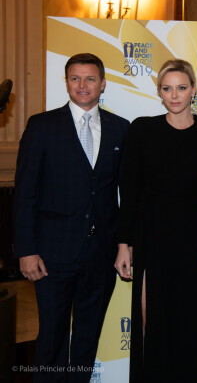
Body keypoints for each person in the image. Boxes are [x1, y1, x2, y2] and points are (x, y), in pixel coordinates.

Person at [13, 53, 129, 382]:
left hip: (101, 254)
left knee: (87, 340)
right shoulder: (42, 126)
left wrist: (124, 243)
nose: (82, 85)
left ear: (102, 84)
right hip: (51, 254)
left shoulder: (121, 129)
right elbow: (26, 192)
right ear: (66, 82)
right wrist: (25, 249)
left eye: (90, 79)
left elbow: (126, 194)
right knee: (51, 338)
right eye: (75, 78)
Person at [114, 59, 197, 382]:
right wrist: (123, 244)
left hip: (193, 244)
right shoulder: (142, 128)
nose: (175, 95)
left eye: (181, 87)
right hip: (150, 240)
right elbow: (129, 191)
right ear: (158, 92)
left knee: (188, 325)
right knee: (149, 322)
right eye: (167, 88)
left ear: (194, 90)